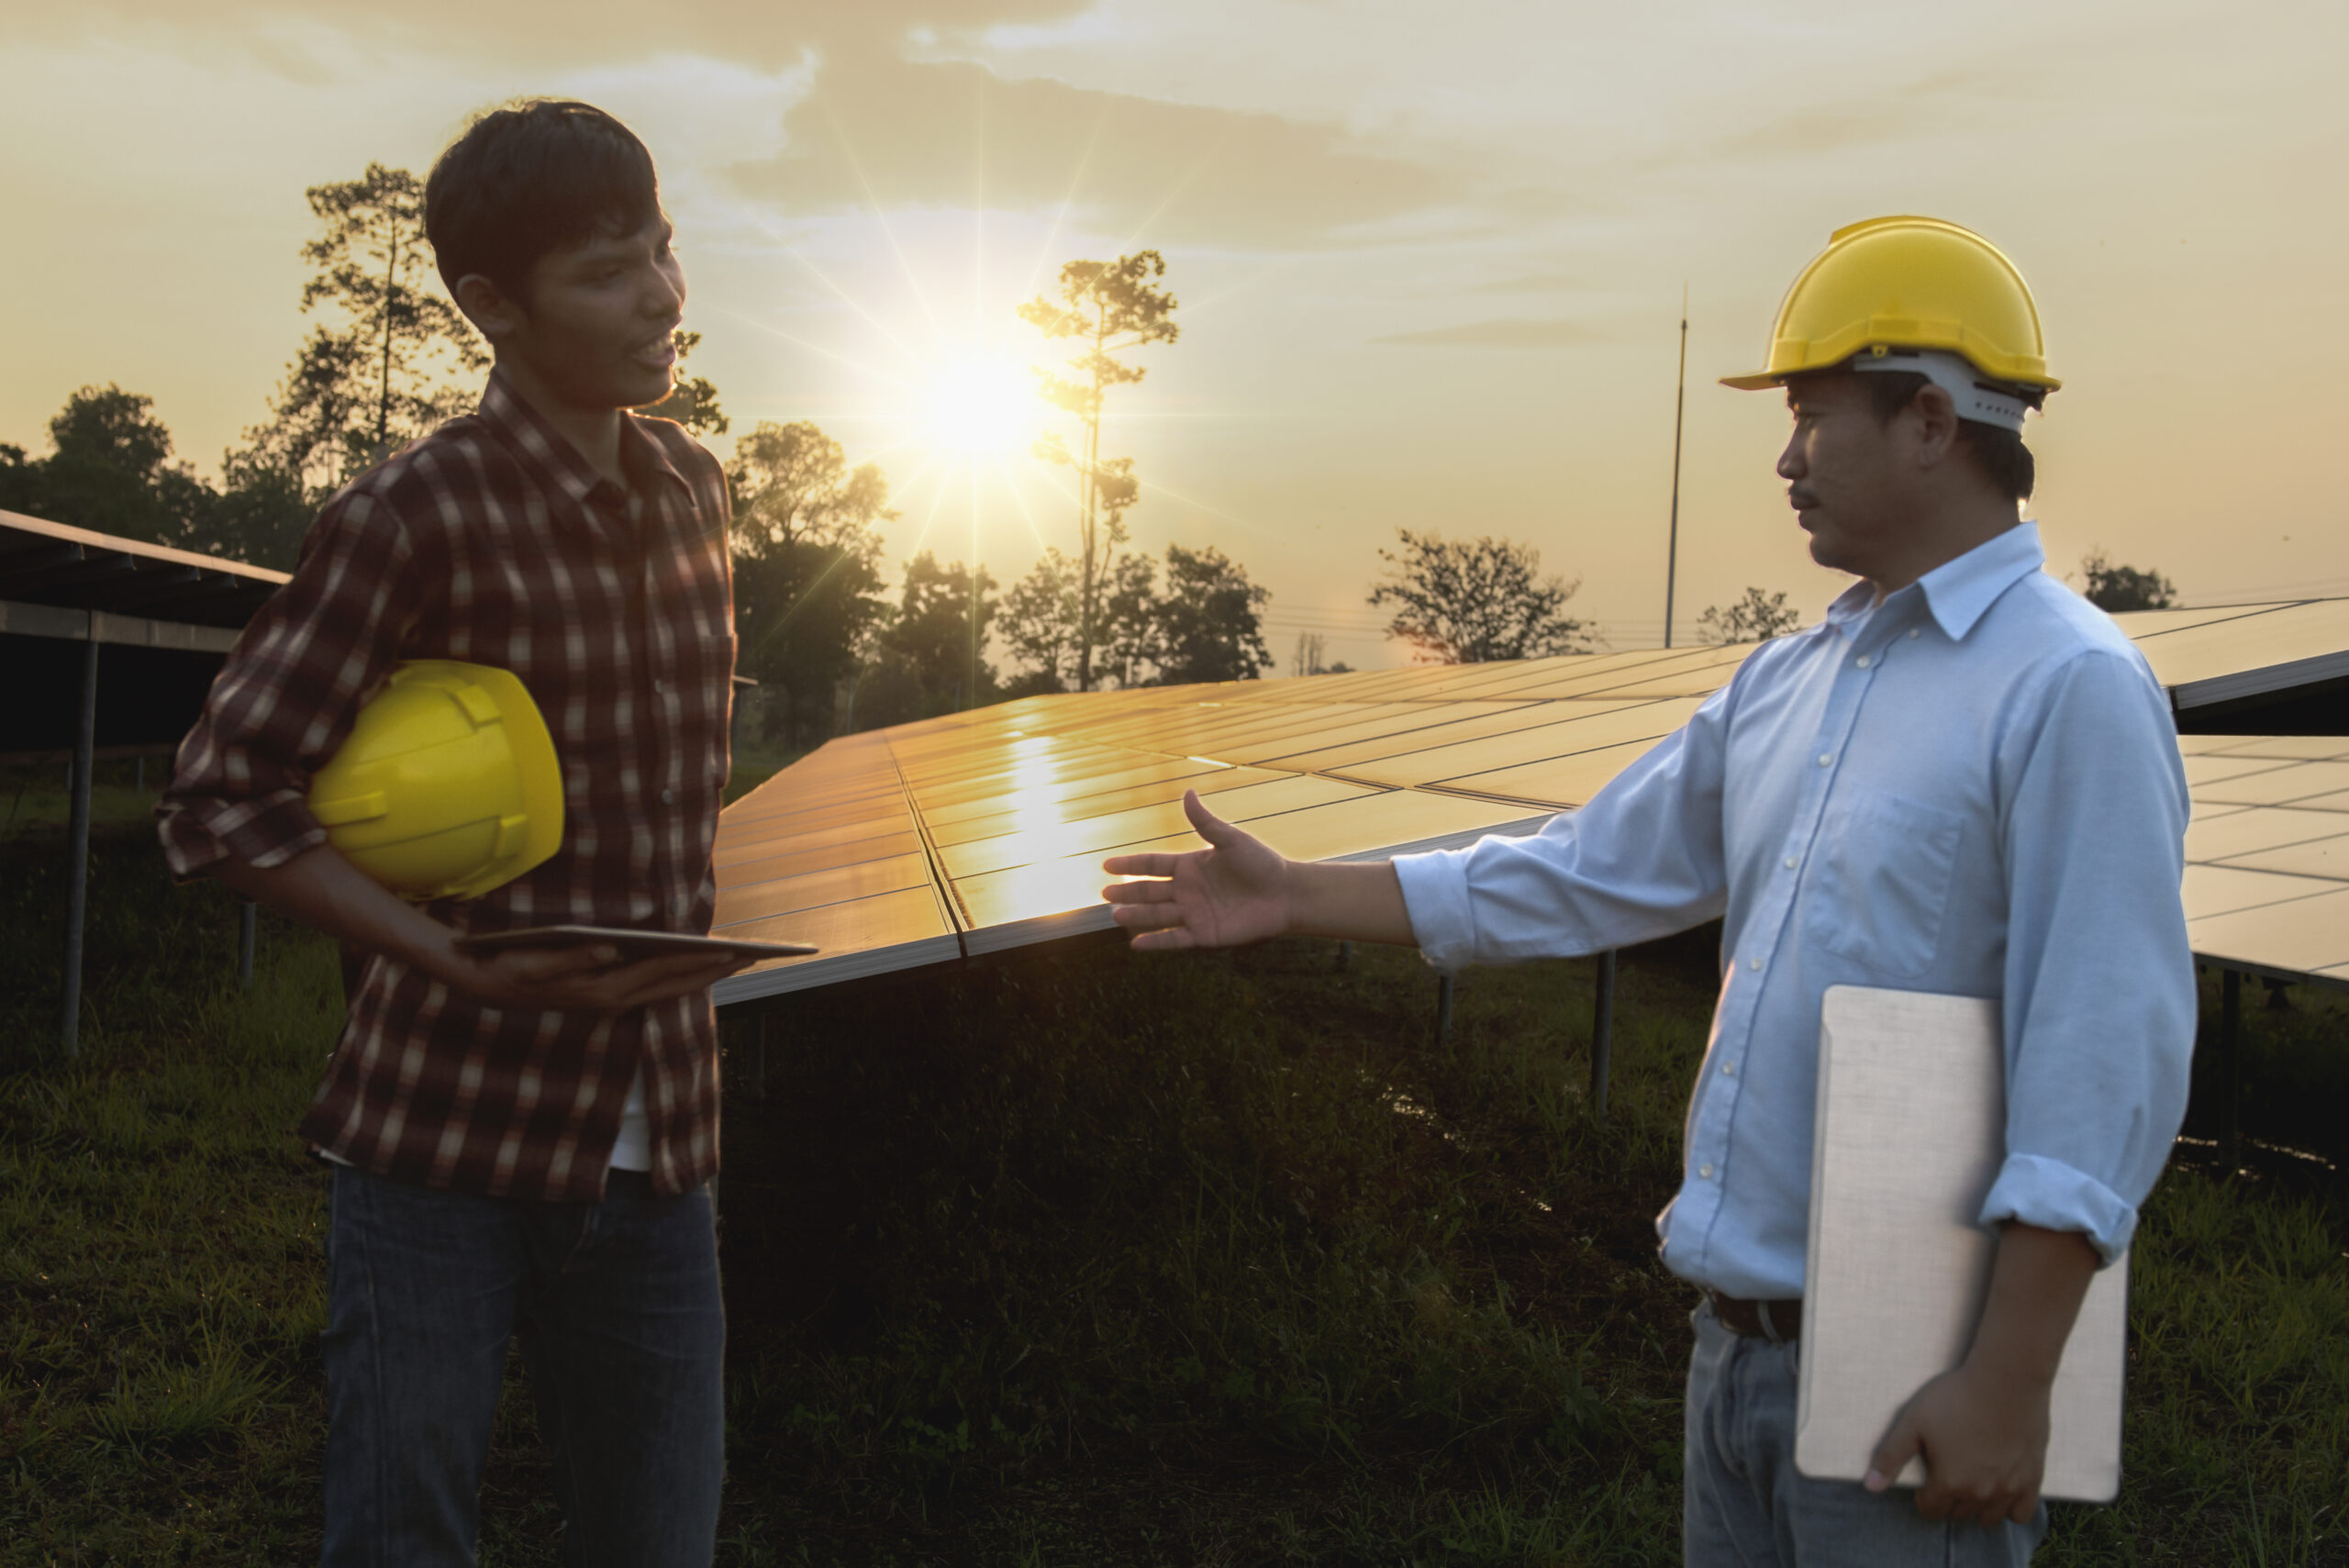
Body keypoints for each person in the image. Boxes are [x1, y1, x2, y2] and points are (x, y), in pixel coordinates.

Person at [1100, 216, 2193, 1567]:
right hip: (1731, 1356)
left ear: (1929, 419)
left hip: (1916, 1368)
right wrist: (1299, 895)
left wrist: (2011, 1379)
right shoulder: (1789, 683)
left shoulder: (2069, 684)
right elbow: (1581, 870)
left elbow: (2105, 1045)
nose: (1786, 459)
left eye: (1811, 417)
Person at [157, 100, 749, 1566]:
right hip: (440, 1133)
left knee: (659, 1536)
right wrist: (447, 956)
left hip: (660, 1140)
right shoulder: (413, 517)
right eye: (611, 270)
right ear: (491, 304)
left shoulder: (699, 494)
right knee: (402, 1529)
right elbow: (221, 799)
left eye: (663, 250)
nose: (664, 295)